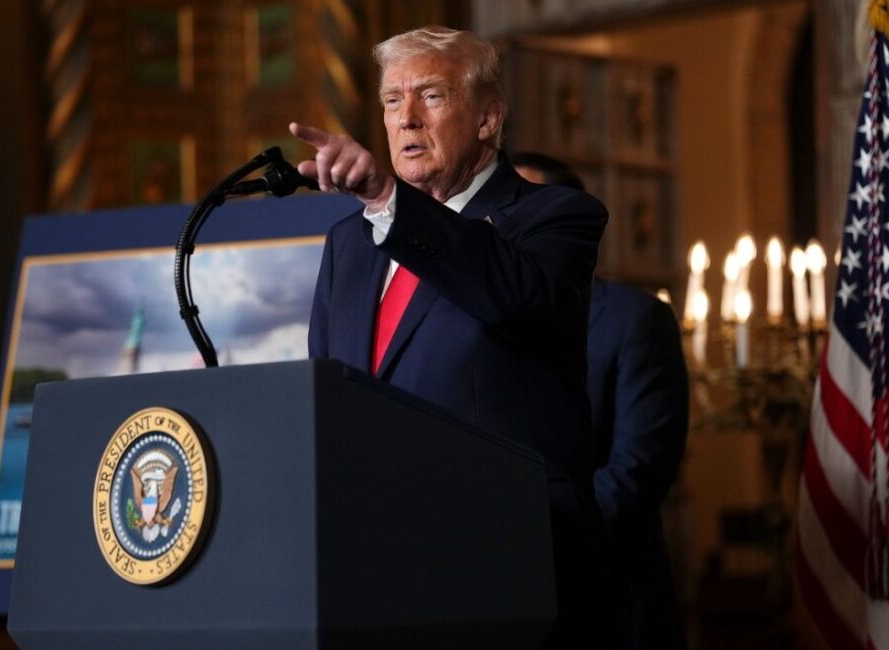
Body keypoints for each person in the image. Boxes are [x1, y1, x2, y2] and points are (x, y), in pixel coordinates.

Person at [290, 26, 615, 649]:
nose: (406, 117)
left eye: (431, 95)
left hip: (509, 560)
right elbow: (328, 392)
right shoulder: (349, 243)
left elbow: (510, 295)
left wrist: (389, 199)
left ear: (488, 118)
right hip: (377, 567)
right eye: (392, 100)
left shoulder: (554, 218)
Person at [515, 153, 690, 650]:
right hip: (508, 606)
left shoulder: (635, 320)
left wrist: (528, 537)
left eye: (519, 211)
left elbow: (637, 472)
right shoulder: (478, 320)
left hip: (609, 601)